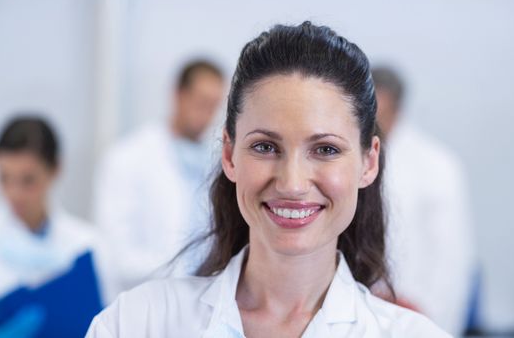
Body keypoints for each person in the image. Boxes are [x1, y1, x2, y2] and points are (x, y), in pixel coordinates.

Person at [86, 22, 450, 337]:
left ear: (369, 162)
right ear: (229, 155)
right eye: (264, 146)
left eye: (325, 150)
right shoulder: (134, 324)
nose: (292, 184)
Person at [93, 60, 226, 291]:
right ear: (178, 95)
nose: (207, 114)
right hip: (145, 299)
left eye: (213, 105)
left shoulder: (219, 163)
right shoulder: (128, 158)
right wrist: (185, 270)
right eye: (201, 102)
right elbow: (116, 257)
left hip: (205, 297)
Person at [372, 66, 475, 336]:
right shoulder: (349, 159)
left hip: (419, 309)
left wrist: (428, 314)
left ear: (397, 109)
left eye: (380, 114)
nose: (373, 123)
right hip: (365, 307)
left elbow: (451, 257)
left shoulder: (437, 165)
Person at [0, 116, 113, 337]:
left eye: (28, 180)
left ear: (55, 169)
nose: (14, 193)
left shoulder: (88, 244)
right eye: (4, 178)